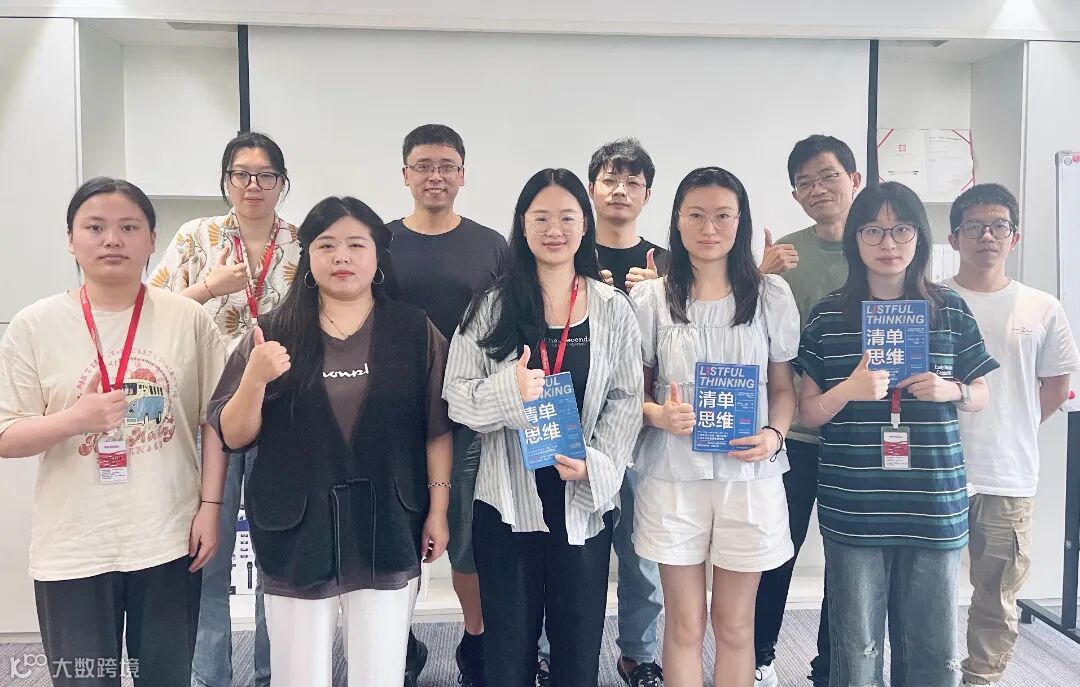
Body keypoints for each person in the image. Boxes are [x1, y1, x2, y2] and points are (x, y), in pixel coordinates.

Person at [210, 196, 452, 687]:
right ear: (308, 257)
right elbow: (232, 434)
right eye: (327, 245)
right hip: (298, 526)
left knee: (380, 672)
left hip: (387, 520)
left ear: (377, 256)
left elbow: (437, 430)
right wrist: (255, 378)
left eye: (356, 245)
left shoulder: (414, 330)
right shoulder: (272, 332)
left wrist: (439, 510)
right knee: (299, 674)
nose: (342, 257)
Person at [0, 177, 228, 686]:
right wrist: (75, 420)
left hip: (167, 536)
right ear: (71, 239)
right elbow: (6, 436)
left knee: (164, 677)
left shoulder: (187, 318)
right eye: (95, 227)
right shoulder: (35, 325)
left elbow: (214, 419)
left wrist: (211, 507)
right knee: (85, 677)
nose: (112, 240)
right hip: (73, 545)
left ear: (152, 239)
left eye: (129, 227)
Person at [443, 168, 642, 687]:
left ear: (585, 226)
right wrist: (509, 392)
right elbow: (457, 396)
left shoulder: (612, 308)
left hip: (582, 499)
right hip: (507, 499)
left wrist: (596, 464)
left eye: (567, 218)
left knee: (578, 649)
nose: (555, 230)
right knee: (509, 650)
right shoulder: (491, 305)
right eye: (541, 219)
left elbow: (626, 398)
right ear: (523, 225)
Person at [797, 181, 998, 687]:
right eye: (873, 230)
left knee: (933, 648)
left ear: (919, 237)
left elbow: (981, 393)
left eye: (901, 229)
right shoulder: (828, 315)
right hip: (856, 505)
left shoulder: (949, 309)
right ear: (855, 239)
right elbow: (808, 413)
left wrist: (950, 390)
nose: (888, 243)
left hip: (932, 502)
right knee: (856, 649)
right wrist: (849, 390)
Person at [631, 166, 799, 687]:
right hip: (672, 476)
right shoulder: (651, 299)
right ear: (677, 221)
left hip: (748, 477)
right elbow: (631, 394)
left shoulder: (770, 295)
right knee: (684, 623)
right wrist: (658, 414)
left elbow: (783, 389)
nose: (710, 228)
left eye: (723, 215)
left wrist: (774, 435)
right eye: (697, 215)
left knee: (735, 623)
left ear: (740, 221)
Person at [149, 131, 300, 687]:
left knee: (275, 551)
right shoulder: (197, 237)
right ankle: (209, 676)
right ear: (225, 180)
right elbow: (151, 310)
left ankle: (272, 673)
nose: (253, 185)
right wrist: (209, 287)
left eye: (266, 175)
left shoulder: (303, 242)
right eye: (241, 174)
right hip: (206, 414)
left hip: (280, 415)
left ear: (283, 183)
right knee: (205, 553)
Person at [534, 137, 668, 687]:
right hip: (570, 431)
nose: (620, 190)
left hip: (642, 435)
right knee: (559, 547)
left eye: (632, 182)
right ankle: (547, 654)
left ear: (647, 194)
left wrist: (660, 294)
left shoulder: (668, 263)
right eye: (610, 180)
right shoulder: (565, 252)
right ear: (590, 189)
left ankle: (639, 655)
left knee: (641, 556)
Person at [943, 183, 1080, 687]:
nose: (987, 235)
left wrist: (1012, 424)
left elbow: (1056, 384)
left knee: (997, 595)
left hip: (1008, 473)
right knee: (924, 591)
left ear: (1014, 237)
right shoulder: (931, 300)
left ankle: (982, 679)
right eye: (974, 226)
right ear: (954, 238)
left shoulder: (1042, 307)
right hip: (937, 470)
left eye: (998, 225)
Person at [386, 124, 507, 687]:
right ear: (405, 174)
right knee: (395, 534)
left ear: (462, 174)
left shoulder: (491, 245)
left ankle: (475, 642)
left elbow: (510, 324)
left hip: (468, 417)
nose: (435, 176)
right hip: (394, 415)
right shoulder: (379, 241)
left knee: (465, 537)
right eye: (423, 165)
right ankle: (397, 643)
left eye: (446, 166)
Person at [754, 134, 862, 687]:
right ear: (795, 194)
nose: (818, 189)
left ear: (854, 180)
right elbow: (742, 332)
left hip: (860, 436)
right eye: (805, 182)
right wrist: (759, 275)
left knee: (848, 563)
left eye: (828, 176)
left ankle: (830, 665)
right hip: (793, 434)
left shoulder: (877, 248)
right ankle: (759, 657)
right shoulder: (785, 256)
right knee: (777, 549)